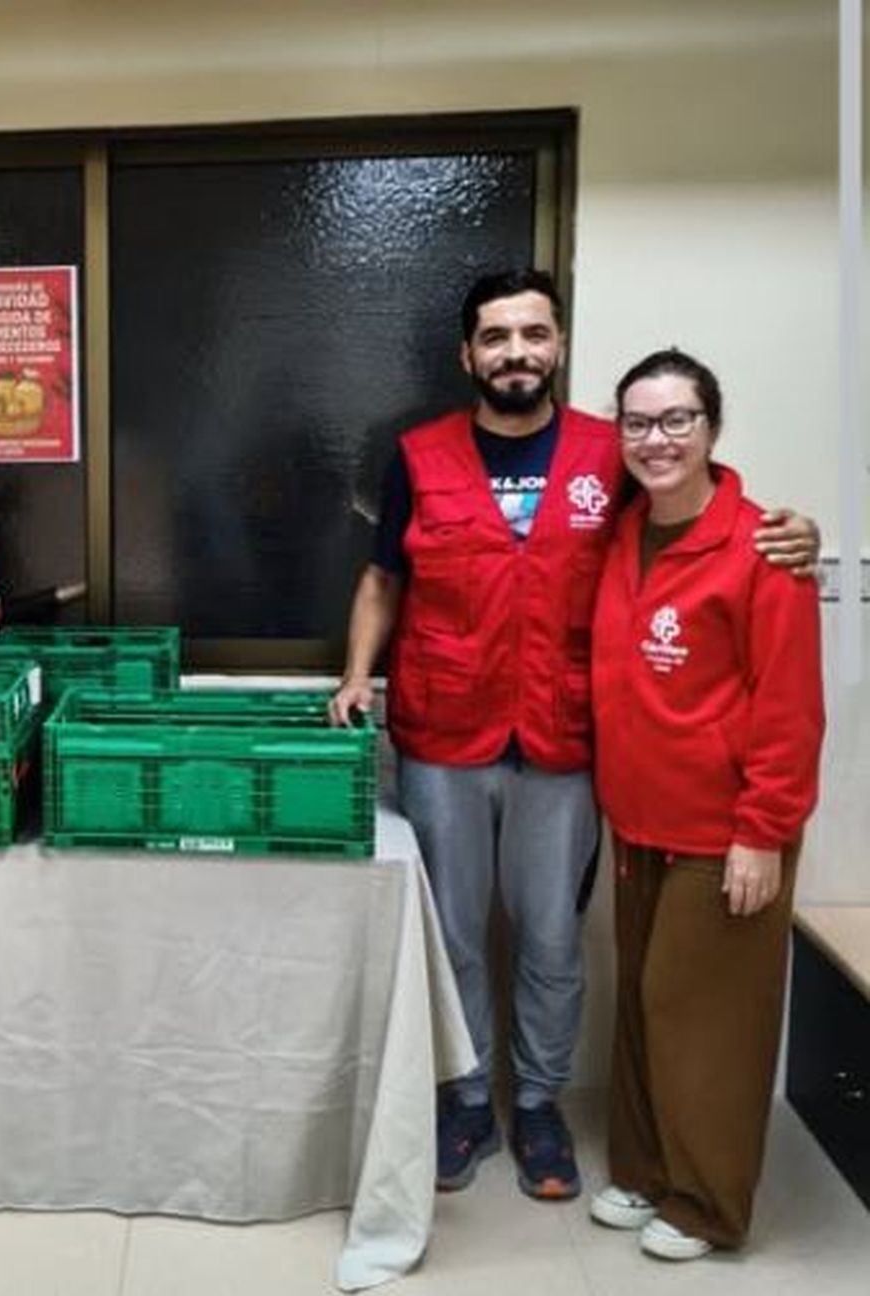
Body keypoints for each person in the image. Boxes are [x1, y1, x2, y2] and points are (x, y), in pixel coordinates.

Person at [328, 269, 818, 1202]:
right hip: (444, 732)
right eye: (496, 336)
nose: (516, 352)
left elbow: (698, 517)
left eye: (534, 334)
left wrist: (794, 530)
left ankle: (541, 1103)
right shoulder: (419, 455)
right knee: (457, 937)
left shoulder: (612, 454)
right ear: (466, 353)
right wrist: (358, 673)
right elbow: (382, 576)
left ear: (558, 345)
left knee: (551, 936)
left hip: (565, 737)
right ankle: (467, 1098)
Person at [586, 349, 823, 1260]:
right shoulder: (619, 535)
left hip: (728, 833)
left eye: (678, 419)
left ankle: (708, 1205)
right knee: (646, 1006)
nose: (657, 440)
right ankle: (647, 1174)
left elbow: (791, 708)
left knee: (708, 1021)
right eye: (639, 423)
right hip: (639, 822)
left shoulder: (764, 548)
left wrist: (763, 833)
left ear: (712, 429)